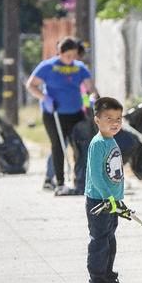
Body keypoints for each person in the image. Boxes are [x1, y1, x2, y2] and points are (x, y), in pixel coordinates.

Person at [25, 37, 97, 196]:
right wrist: (45, 98)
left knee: (81, 145)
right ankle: (60, 182)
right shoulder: (48, 66)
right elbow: (31, 84)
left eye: (73, 55)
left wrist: (93, 97)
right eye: (68, 55)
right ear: (60, 53)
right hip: (54, 113)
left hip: (76, 113)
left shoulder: (79, 67)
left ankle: (80, 180)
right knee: (58, 146)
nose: (71, 59)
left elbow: (90, 87)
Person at [85, 96, 130, 283]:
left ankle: (109, 277)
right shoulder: (98, 143)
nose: (115, 123)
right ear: (97, 120)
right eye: (109, 118)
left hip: (111, 201)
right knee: (100, 240)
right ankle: (96, 281)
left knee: (110, 240)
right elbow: (95, 175)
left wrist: (117, 199)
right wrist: (107, 197)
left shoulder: (111, 140)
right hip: (99, 201)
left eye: (118, 119)